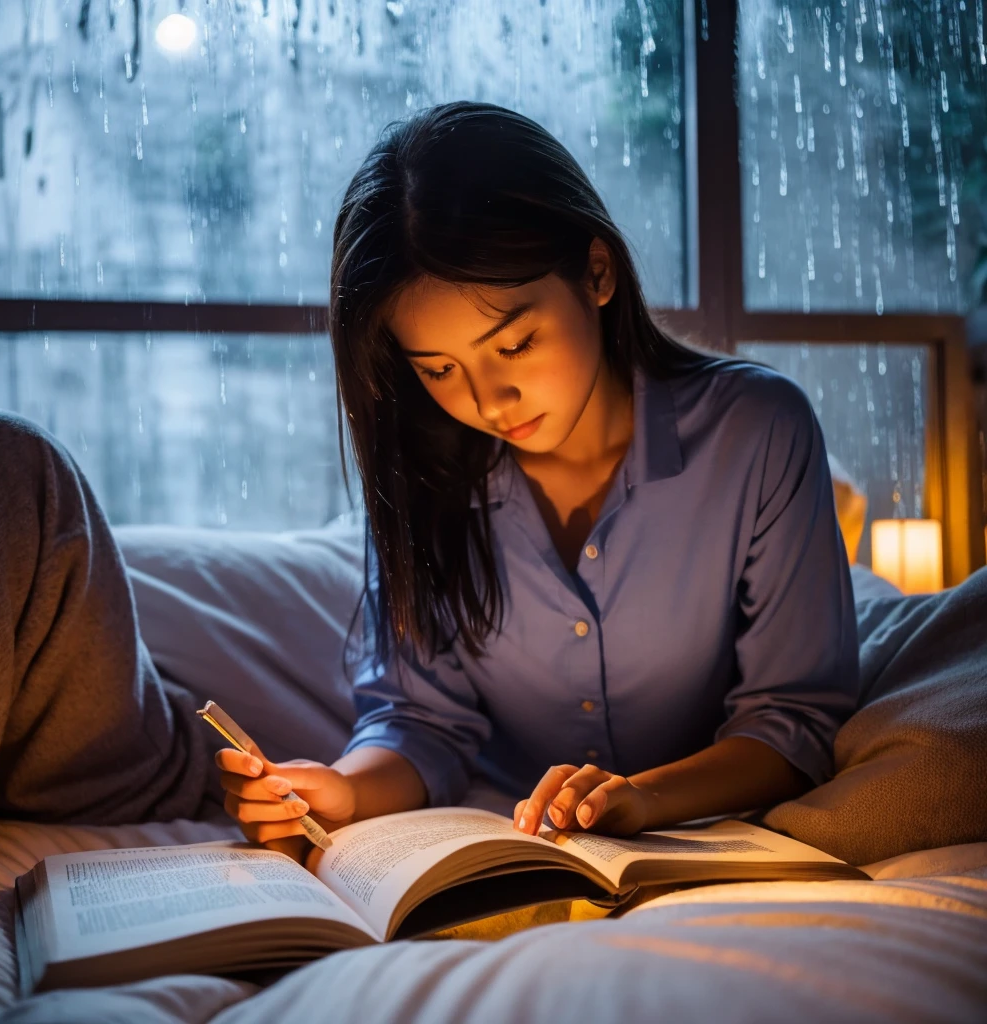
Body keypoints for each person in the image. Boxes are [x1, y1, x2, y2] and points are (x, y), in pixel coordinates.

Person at [216, 101, 858, 856]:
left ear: (596, 272)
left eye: (515, 344)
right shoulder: (427, 474)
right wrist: (342, 788)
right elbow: (422, 723)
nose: (488, 400)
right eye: (440, 369)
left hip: (700, 837)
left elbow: (793, 719)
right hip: (501, 846)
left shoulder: (755, 431)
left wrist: (641, 797)